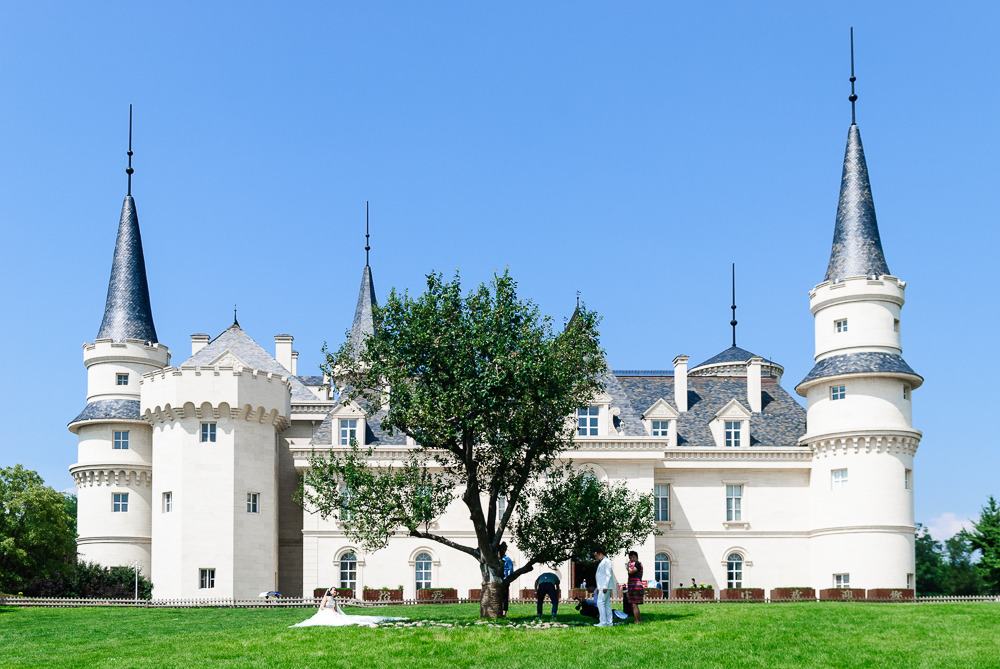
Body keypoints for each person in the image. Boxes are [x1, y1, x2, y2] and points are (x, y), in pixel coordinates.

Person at [290, 587, 407, 627]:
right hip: (326, 612)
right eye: (333, 590)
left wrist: (334, 611)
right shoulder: (326, 598)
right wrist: (329, 610)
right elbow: (322, 607)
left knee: (338, 618)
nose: (335, 592)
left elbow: (336, 609)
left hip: (332, 612)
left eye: (335, 591)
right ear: (329, 591)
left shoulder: (335, 599)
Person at [593, 547, 614, 627]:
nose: (596, 557)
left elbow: (608, 574)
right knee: (606, 604)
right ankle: (609, 622)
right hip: (602, 586)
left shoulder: (607, 561)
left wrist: (605, 586)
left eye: (596, 555)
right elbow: (600, 576)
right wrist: (599, 588)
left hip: (605, 586)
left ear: (600, 554)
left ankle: (603, 622)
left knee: (600, 603)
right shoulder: (603, 562)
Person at [625, 550, 644, 624]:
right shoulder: (635, 564)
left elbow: (631, 571)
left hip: (635, 586)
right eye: (630, 558)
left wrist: (629, 566)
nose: (632, 559)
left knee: (634, 604)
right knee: (634, 604)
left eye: (633, 557)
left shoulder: (637, 564)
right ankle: (639, 620)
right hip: (633, 586)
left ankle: (637, 620)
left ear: (637, 557)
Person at [499, 542, 514, 617]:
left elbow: (511, 570)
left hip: (504, 579)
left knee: (504, 597)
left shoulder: (507, 559)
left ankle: (504, 612)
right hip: (498, 580)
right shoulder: (497, 559)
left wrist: (509, 579)